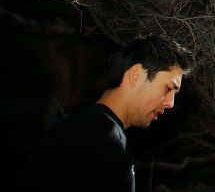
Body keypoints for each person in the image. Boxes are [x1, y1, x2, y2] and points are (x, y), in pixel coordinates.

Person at [16, 35, 193, 192]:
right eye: (168, 88)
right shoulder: (103, 139)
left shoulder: (85, 127)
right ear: (136, 75)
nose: (170, 103)